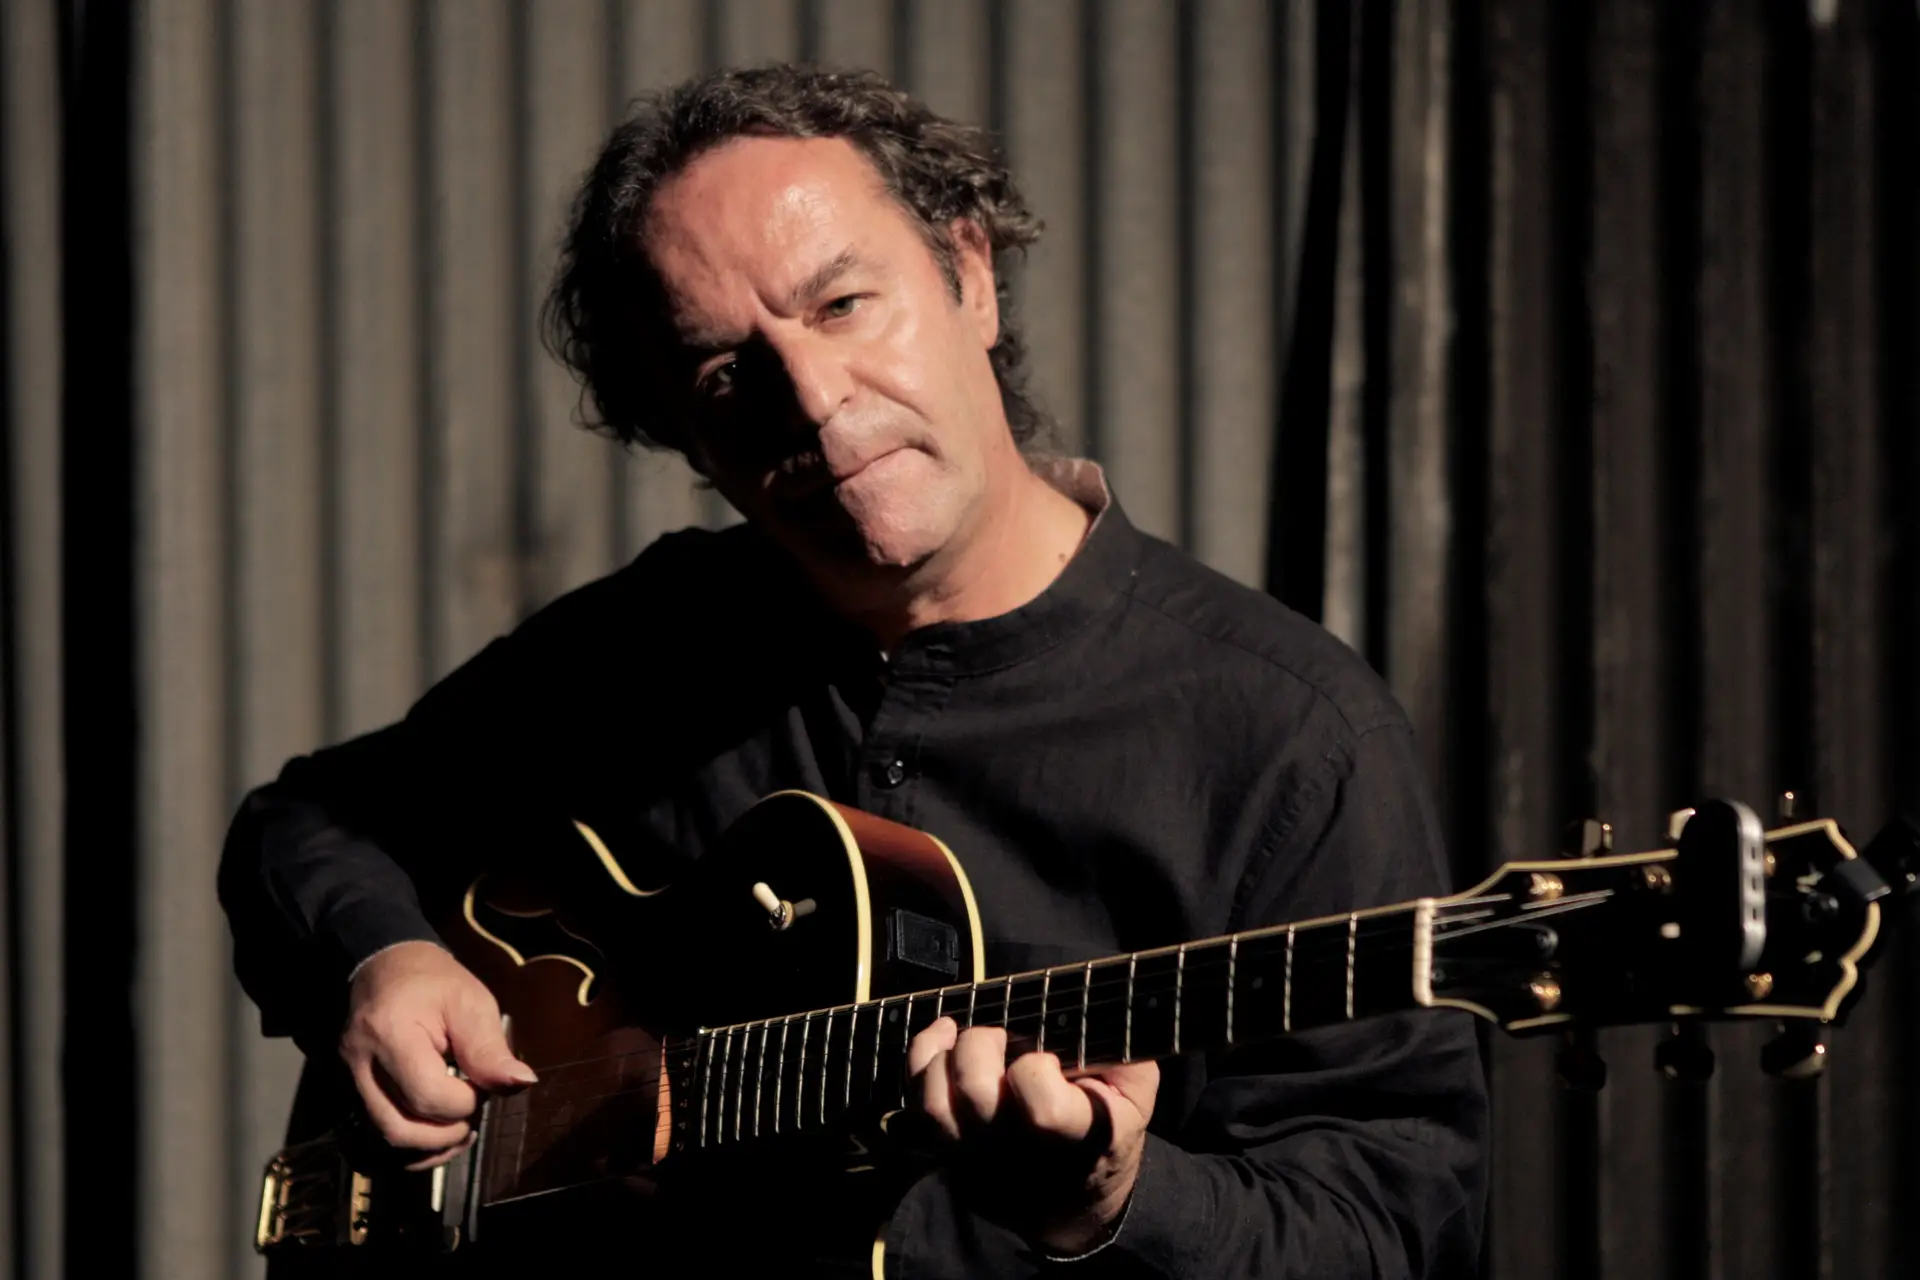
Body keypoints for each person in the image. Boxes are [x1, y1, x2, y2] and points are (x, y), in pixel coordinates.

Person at [220, 64, 1486, 1277]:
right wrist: (378, 958)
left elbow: (1395, 1227)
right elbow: (307, 821)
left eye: (840, 305)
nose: (815, 400)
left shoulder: (1292, 736)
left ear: (971, 276)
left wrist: (1113, 1198)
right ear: (683, 433)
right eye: (727, 371)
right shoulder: (653, 638)